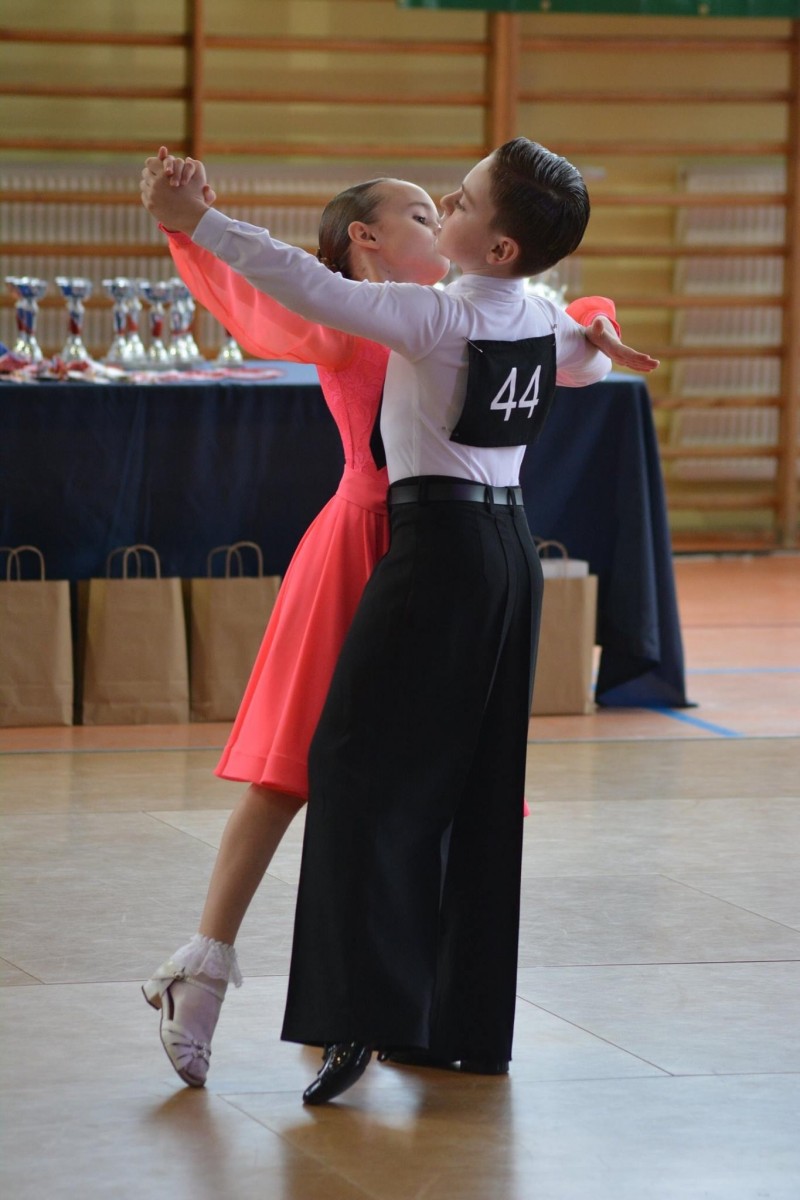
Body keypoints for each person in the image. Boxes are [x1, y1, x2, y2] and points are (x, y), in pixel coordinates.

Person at [140, 142, 657, 1097]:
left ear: (494, 245)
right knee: (296, 775)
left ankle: (402, 1005)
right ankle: (208, 971)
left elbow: (557, 324)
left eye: (449, 205)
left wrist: (594, 322)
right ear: (367, 242)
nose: (439, 211)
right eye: (419, 211)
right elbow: (276, 288)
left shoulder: (462, 309)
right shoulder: (364, 321)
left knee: (433, 790)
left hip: (435, 555)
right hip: (364, 552)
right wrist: (192, 232)